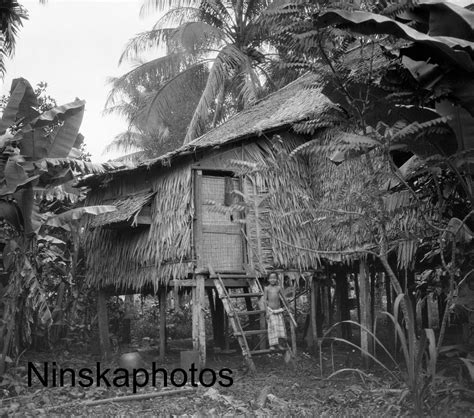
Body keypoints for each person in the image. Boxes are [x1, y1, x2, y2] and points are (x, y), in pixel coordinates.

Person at [263, 272, 288, 351]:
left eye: (274, 278)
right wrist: (267, 312)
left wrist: (288, 306)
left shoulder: (278, 288)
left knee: (279, 328)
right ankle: (272, 345)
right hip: (271, 311)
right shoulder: (267, 288)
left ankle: (279, 345)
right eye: (271, 278)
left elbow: (284, 298)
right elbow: (264, 300)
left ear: (277, 279)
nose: (272, 280)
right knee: (272, 328)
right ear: (268, 279)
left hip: (278, 311)